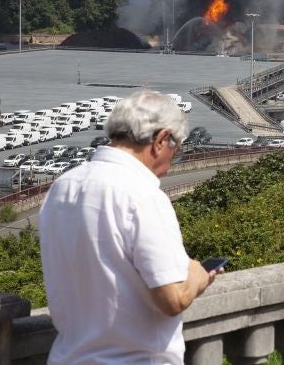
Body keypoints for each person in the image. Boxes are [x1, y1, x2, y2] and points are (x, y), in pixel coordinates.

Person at [40, 91, 215, 364]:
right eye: (177, 148)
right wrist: (198, 275)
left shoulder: (62, 187)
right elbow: (173, 299)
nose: (172, 163)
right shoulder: (142, 194)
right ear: (160, 140)